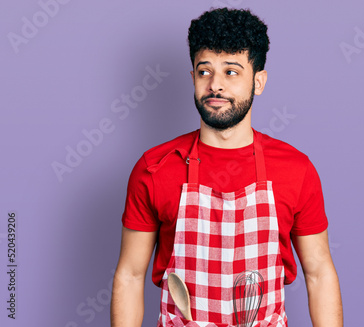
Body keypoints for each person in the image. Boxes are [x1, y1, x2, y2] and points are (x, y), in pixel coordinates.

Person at [111, 7, 343, 327]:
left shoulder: (296, 169)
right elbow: (131, 275)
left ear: (258, 81)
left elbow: (319, 272)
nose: (215, 85)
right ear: (193, 78)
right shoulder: (153, 168)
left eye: (231, 72)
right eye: (205, 71)